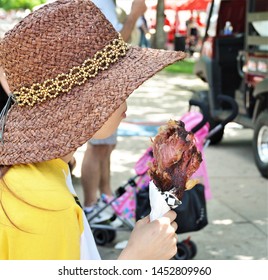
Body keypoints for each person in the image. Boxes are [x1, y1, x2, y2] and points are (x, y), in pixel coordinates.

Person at [0, 0, 185, 260]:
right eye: (115, 88)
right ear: (79, 105)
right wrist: (134, 262)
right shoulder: (45, 207)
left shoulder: (42, 175)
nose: (126, 98)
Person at [81, 0, 147, 219]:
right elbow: (113, 45)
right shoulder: (99, 2)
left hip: (106, 82)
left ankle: (104, 196)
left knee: (106, 145)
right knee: (97, 145)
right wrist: (133, 16)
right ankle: (91, 204)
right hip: (98, 83)